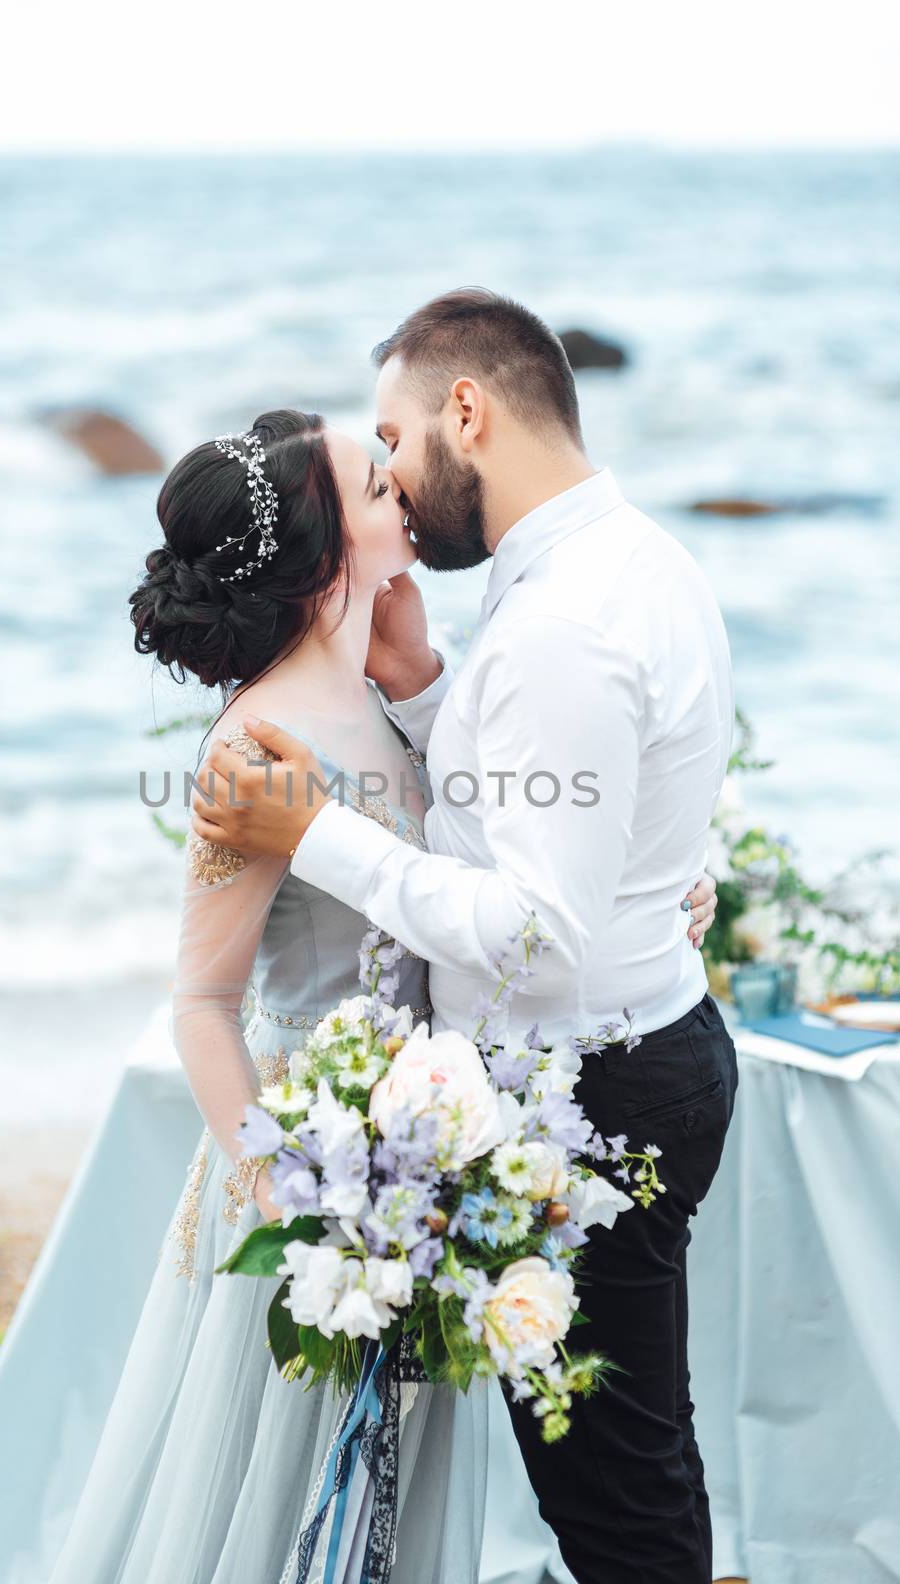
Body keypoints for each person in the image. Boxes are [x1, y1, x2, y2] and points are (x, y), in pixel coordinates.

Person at [45, 402, 717, 1583]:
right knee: (279, 1491)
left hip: (415, 1155)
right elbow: (201, 1004)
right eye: (372, 482)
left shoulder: (381, 693)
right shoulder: (259, 747)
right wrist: (284, 1193)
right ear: (324, 552)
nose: (402, 486)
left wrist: (645, 896)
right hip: (308, 1181)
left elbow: (495, 859)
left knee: (389, 1506)